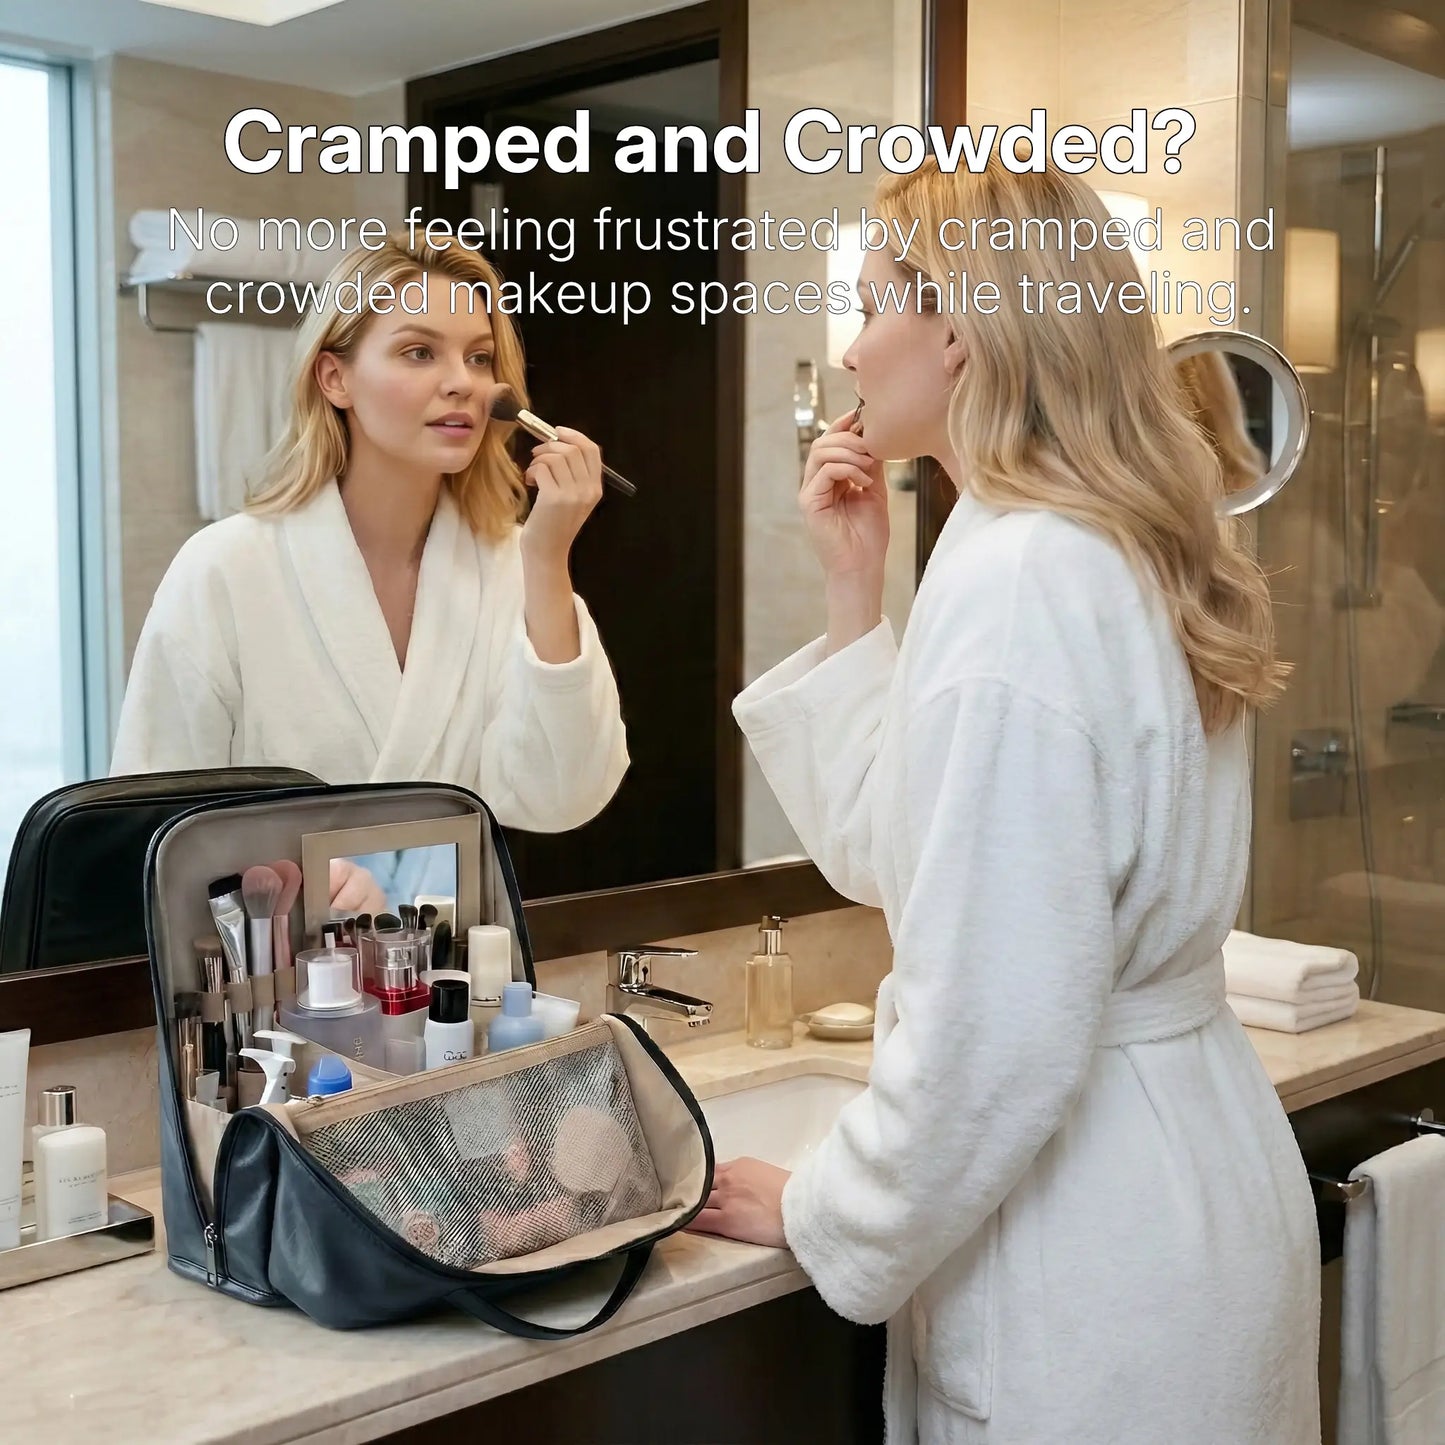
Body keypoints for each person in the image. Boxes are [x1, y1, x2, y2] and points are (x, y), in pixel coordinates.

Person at [691, 158, 1322, 1443]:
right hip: (1189, 1182)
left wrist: (827, 1208)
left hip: (1091, 1247)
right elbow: (907, 854)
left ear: (961, 330)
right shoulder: (1088, 541)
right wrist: (855, 595)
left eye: (871, 306)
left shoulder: (1023, 577)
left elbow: (997, 1022)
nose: (853, 351)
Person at [110, 237, 628, 842]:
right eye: (418, 352)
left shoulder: (510, 566)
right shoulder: (226, 568)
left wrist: (546, 558)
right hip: (278, 934)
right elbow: (152, 823)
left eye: (480, 358)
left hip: (451, 936)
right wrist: (296, 886)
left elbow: (564, 795)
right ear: (335, 378)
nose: (463, 382)